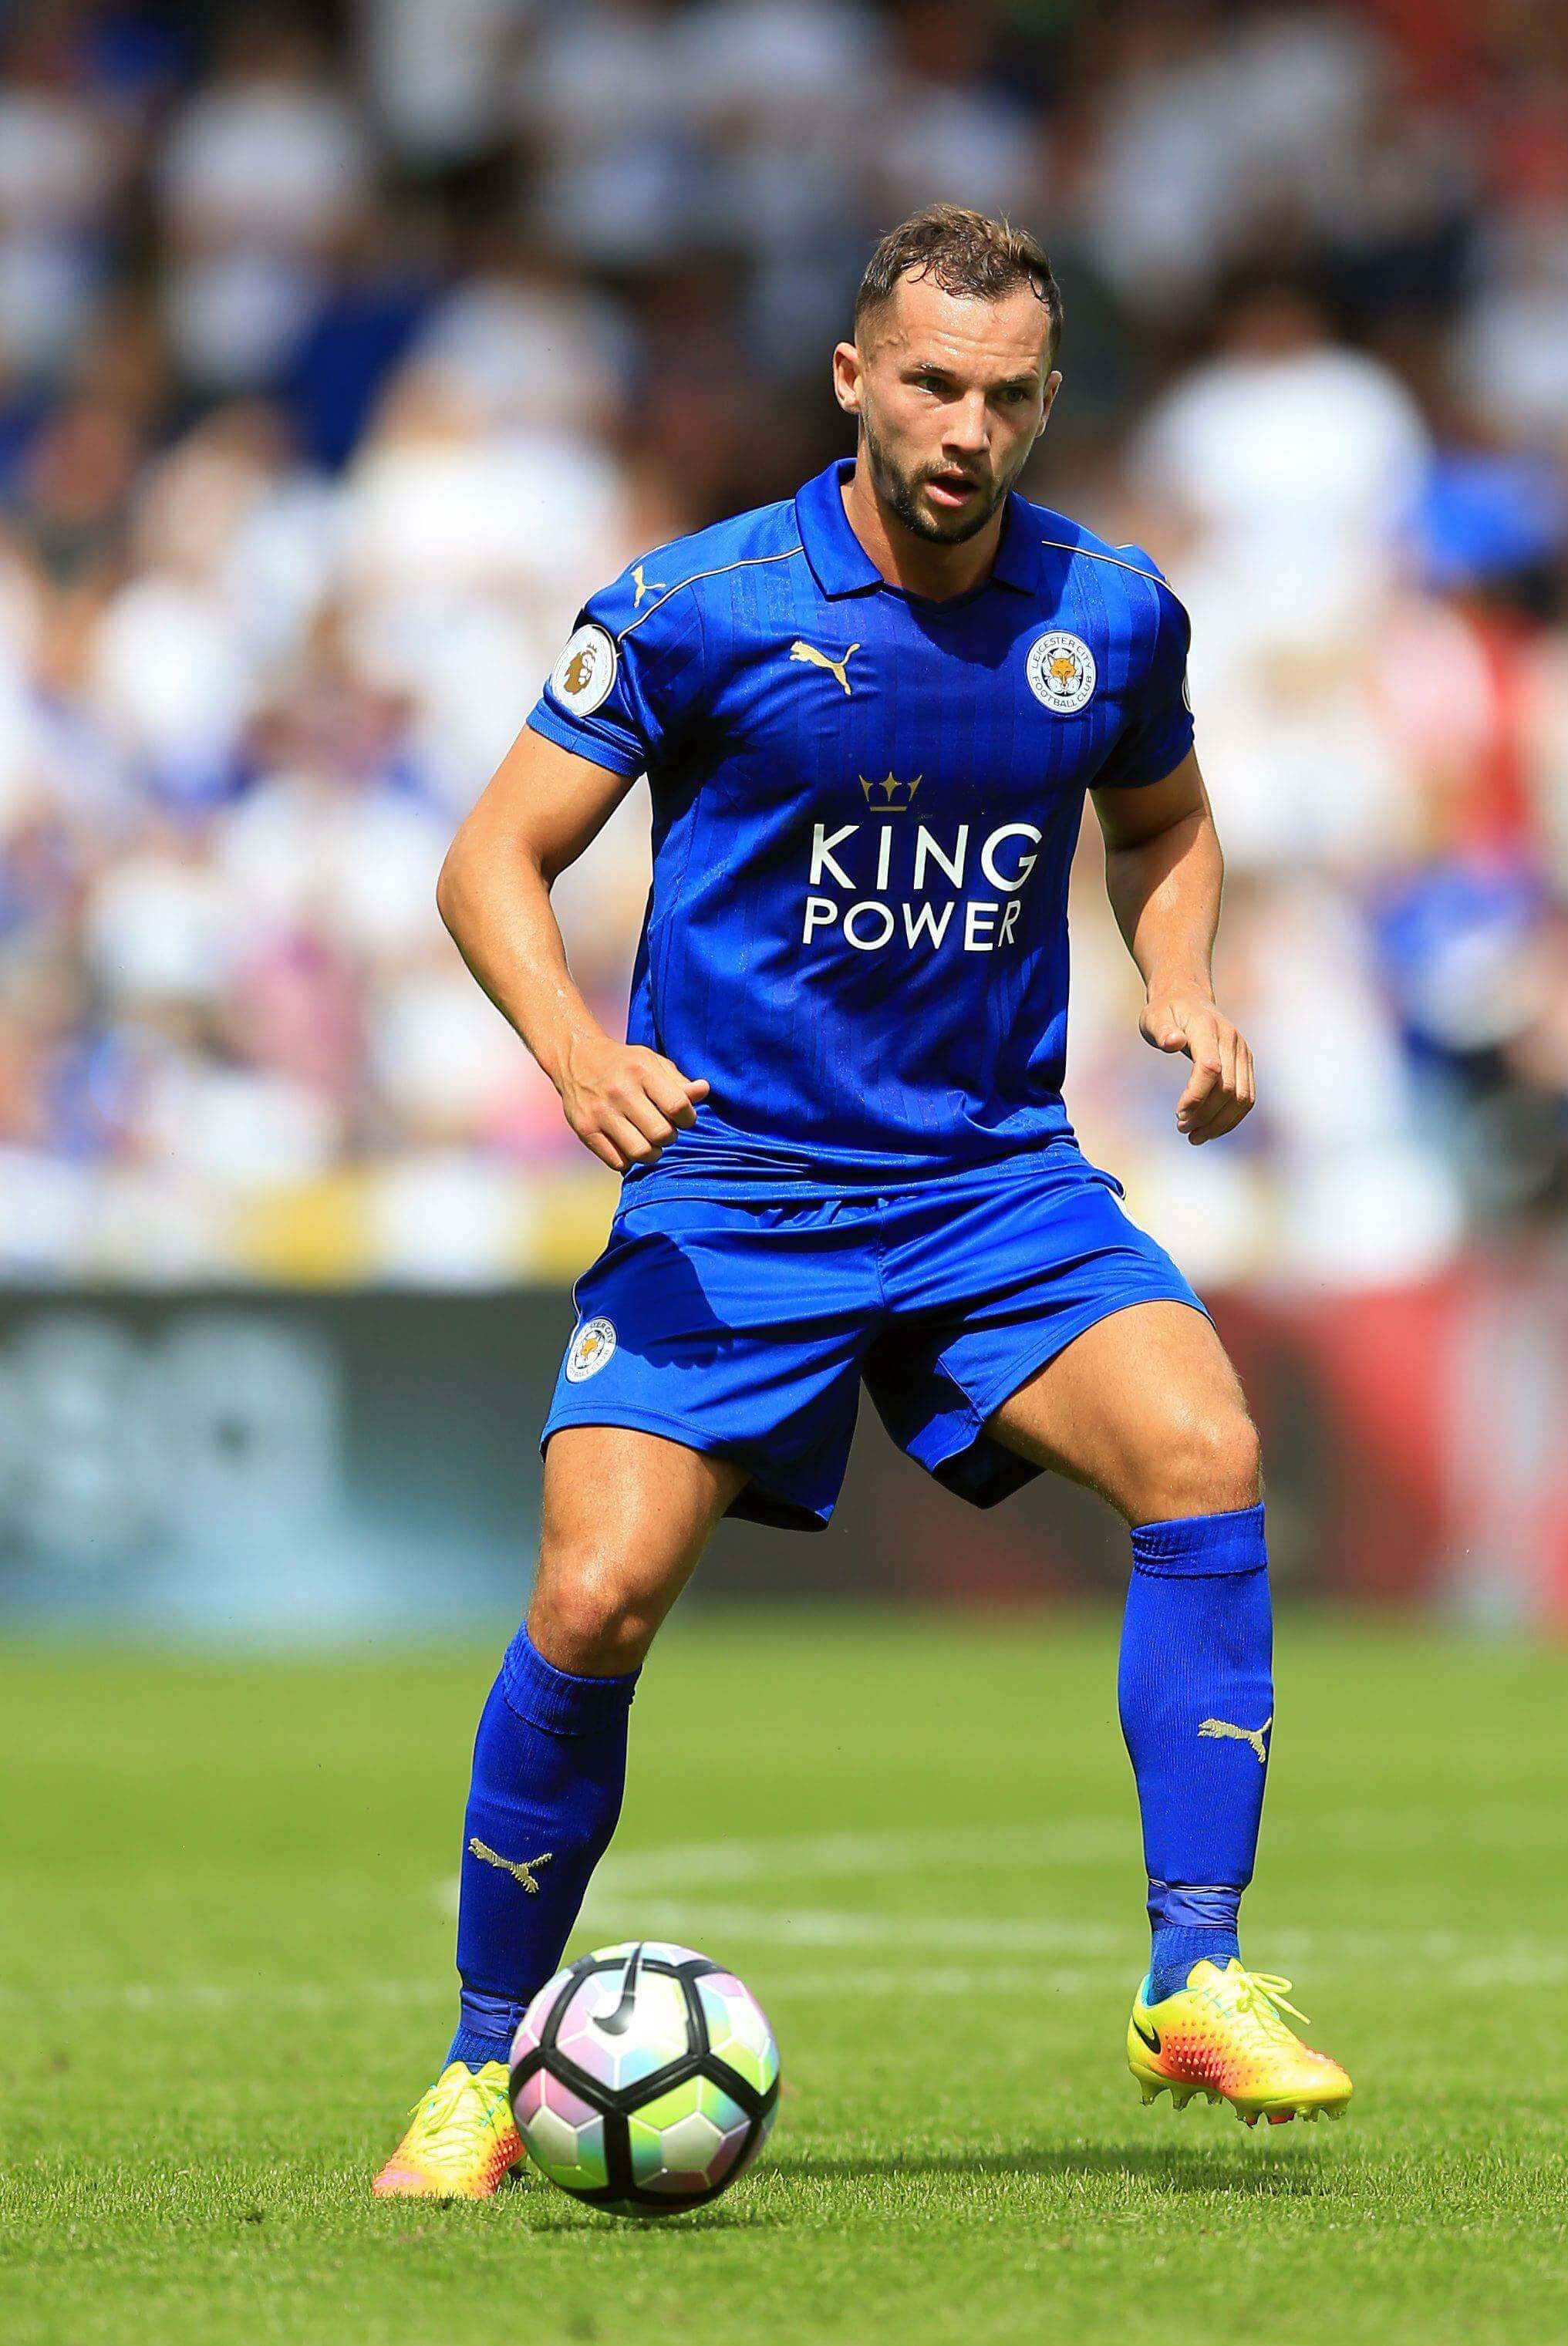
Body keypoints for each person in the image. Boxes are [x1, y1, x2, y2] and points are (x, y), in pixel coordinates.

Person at [373, 204, 1351, 2198]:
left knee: (1204, 1450)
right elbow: (491, 859)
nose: (966, 429)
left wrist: (1177, 975)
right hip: (734, 1192)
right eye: (930, 383)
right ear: (852, 378)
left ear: (1048, 403)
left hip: (992, 1182)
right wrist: (575, 1053)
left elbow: (1166, 819)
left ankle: (1194, 1970)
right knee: (593, 1598)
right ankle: (479, 2069)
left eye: (1007, 396)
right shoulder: (697, 604)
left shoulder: (1112, 615)